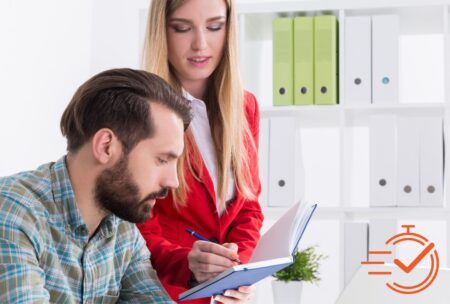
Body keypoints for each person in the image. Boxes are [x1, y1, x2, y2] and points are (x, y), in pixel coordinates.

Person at [0, 68, 191, 303]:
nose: (173, 181)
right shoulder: (13, 213)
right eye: (162, 160)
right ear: (106, 146)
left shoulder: (123, 232)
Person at [138, 0, 264, 302]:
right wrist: (188, 264)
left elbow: (248, 207)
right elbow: (133, 228)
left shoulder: (245, 106)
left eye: (214, 26)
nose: (200, 44)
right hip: (164, 293)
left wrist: (236, 267)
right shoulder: (140, 111)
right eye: (182, 28)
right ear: (162, 32)